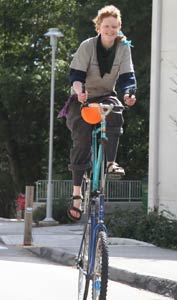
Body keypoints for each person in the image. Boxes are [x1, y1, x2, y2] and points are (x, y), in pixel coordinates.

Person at [59, 5, 137, 221]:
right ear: (99, 27)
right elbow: (75, 75)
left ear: (119, 27)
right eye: (106, 26)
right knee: (82, 139)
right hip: (82, 97)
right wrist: (80, 92)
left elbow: (127, 77)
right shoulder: (87, 46)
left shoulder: (124, 48)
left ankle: (110, 163)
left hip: (105, 95)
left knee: (116, 111)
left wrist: (129, 93)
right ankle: (76, 193)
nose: (110, 30)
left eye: (114, 26)